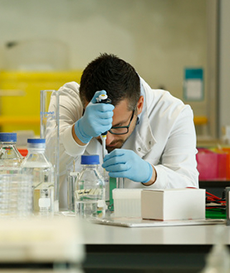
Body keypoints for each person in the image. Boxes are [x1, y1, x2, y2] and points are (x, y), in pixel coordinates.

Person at [47, 53, 198, 209]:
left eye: (119, 126)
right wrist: (80, 132)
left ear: (139, 105)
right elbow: (47, 163)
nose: (109, 139)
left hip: (147, 229)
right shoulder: (69, 99)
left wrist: (150, 174)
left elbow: (189, 190)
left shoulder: (173, 114)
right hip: (76, 227)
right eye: (99, 128)